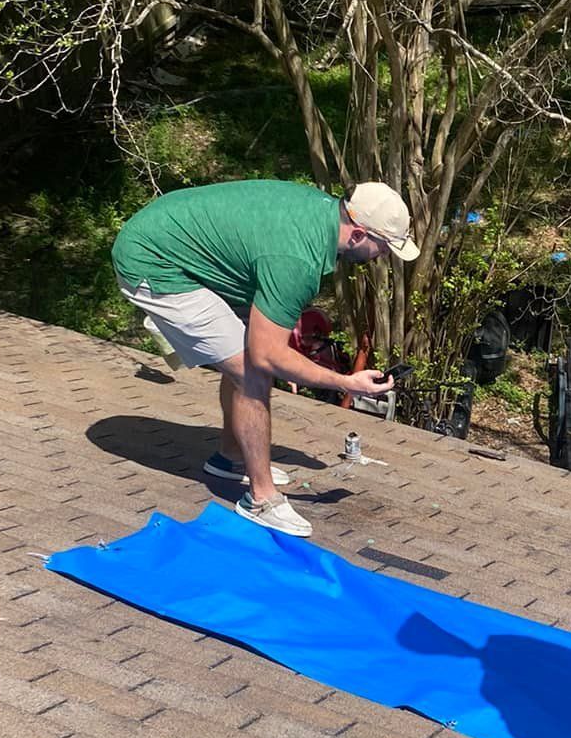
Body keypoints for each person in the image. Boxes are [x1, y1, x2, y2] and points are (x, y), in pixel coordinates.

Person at [111, 177, 418, 537]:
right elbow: (266, 355)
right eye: (384, 247)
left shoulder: (321, 212)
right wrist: (346, 382)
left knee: (249, 355)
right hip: (154, 261)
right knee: (252, 371)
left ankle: (230, 457)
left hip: (184, 247)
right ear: (357, 234)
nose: (384, 257)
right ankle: (262, 499)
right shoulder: (296, 260)